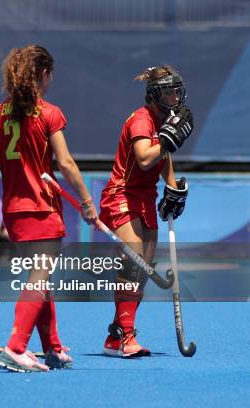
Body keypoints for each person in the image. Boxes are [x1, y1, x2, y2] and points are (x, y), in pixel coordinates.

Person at [0, 45, 97, 372]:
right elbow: (66, 163)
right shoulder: (49, 113)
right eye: (49, 74)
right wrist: (86, 202)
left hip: (13, 211)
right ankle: (15, 347)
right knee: (39, 279)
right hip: (41, 209)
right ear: (42, 74)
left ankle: (53, 348)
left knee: (39, 278)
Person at [99, 65, 192, 357]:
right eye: (168, 92)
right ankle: (126, 336)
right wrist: (167, 138)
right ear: (154, 94)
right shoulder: (142, 120)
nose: (174, 97)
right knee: (135, 260)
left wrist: (174, 187)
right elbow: (144, 158)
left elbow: (162, 157)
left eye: (177, 91)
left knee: (141, 271)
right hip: (121, 195)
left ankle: (117, 334)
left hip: (145, 197)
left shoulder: (164, 120)